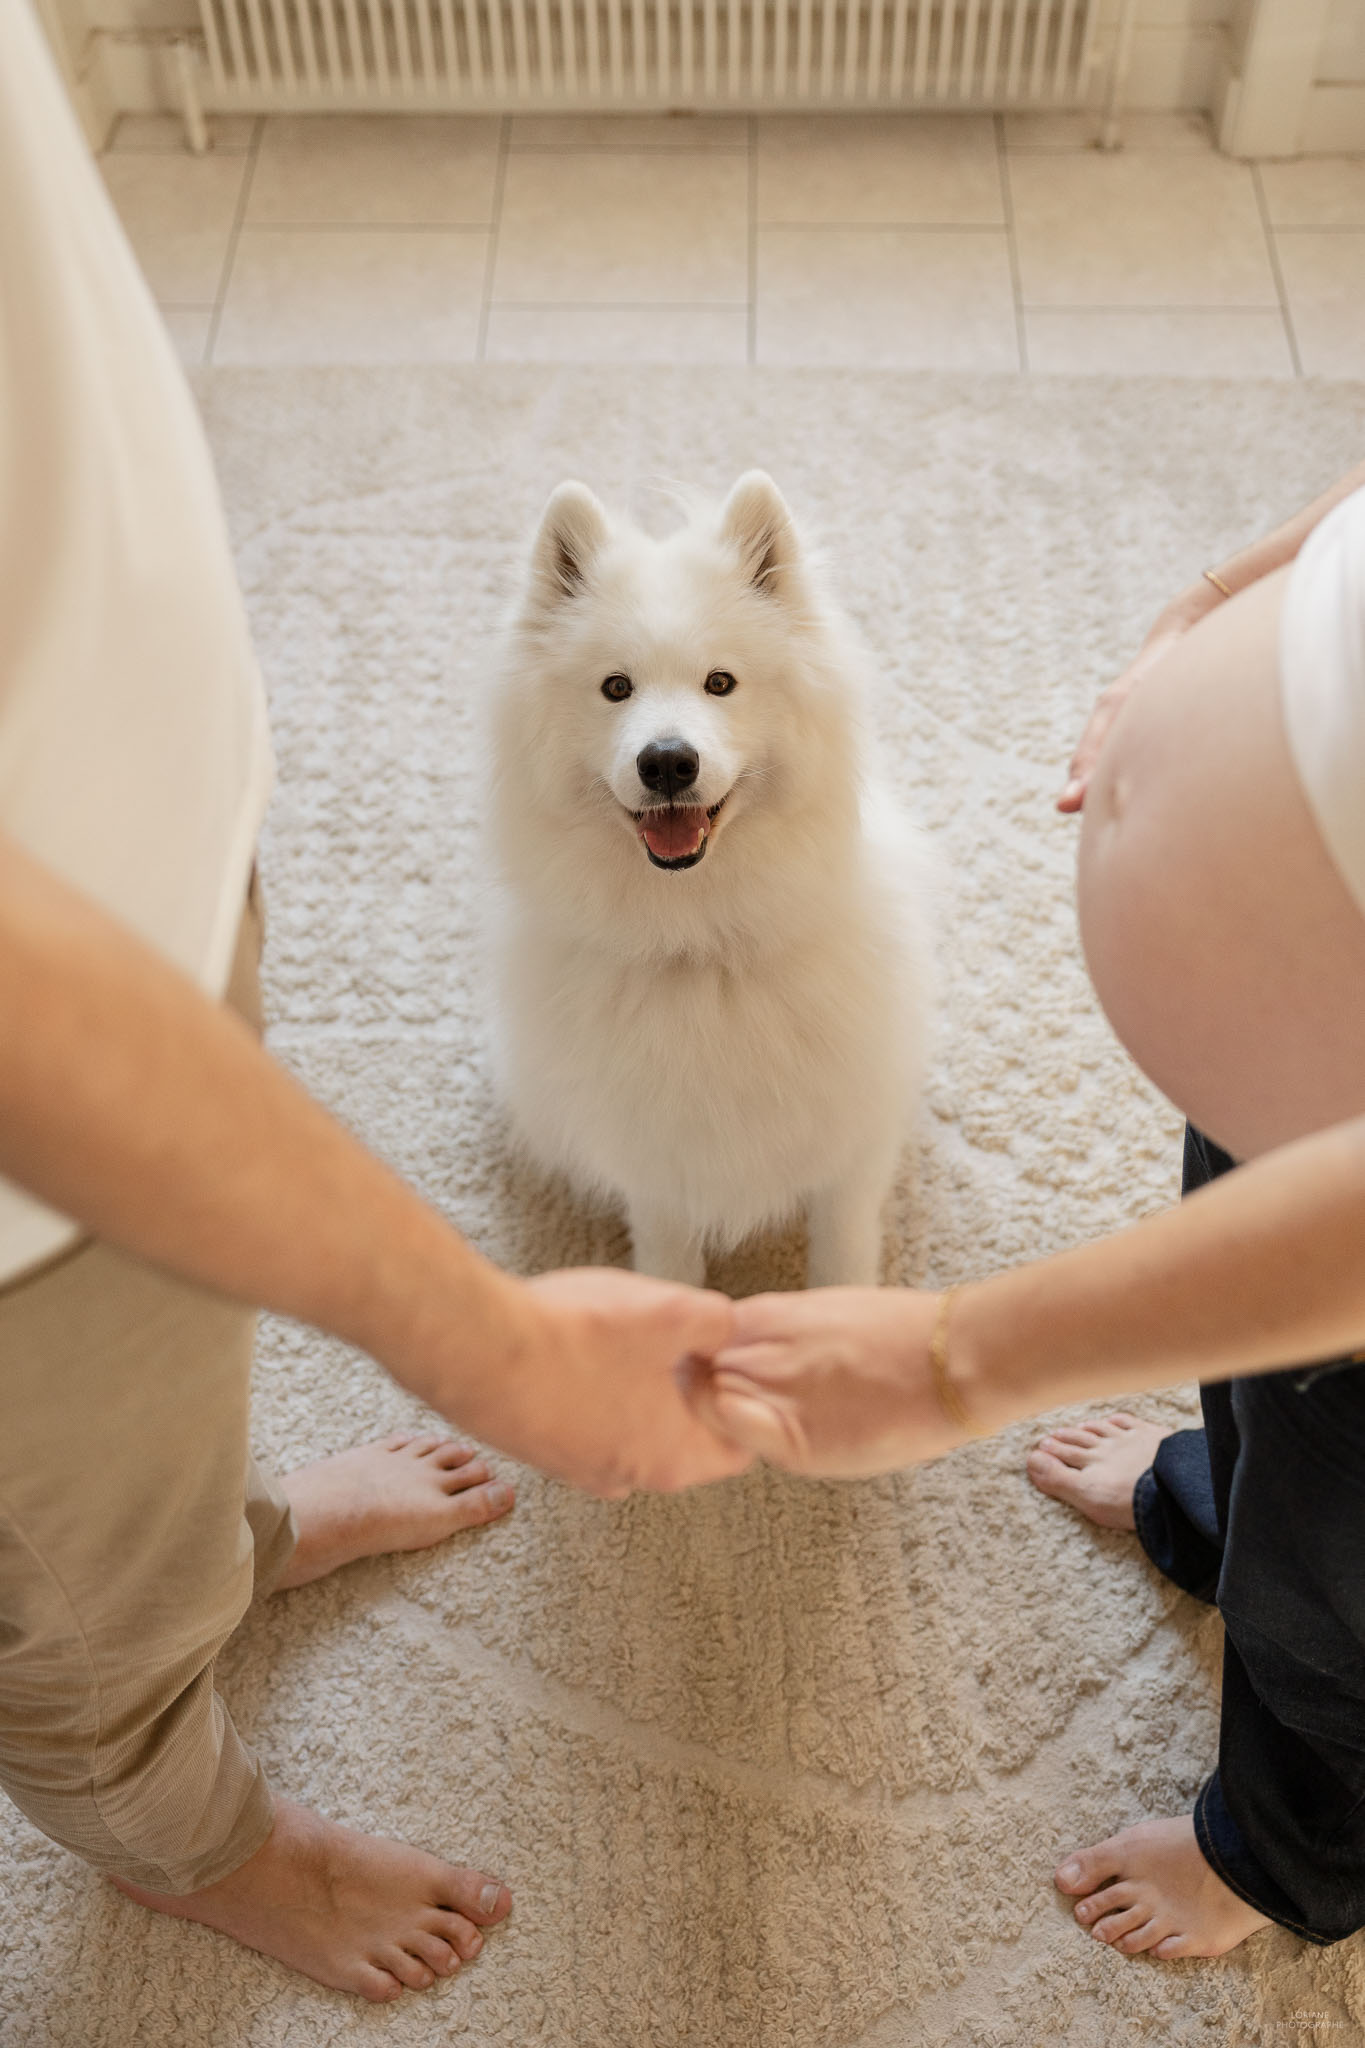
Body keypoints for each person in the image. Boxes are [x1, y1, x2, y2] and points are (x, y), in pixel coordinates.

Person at [0, 0, 747, 2006]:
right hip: (23, 1109)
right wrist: (483, 1338)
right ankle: (183, 1833)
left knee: (160, 1409)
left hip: (121, 834)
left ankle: (221, 1543)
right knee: (71, 1574)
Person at [689, 455, 1365, 1961]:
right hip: (1296, 1067)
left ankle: (1282, 1857)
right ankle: (1211, 1495)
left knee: (1341, 1595)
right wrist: (1214, 611)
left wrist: (958, 1359)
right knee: (1258, 1392)